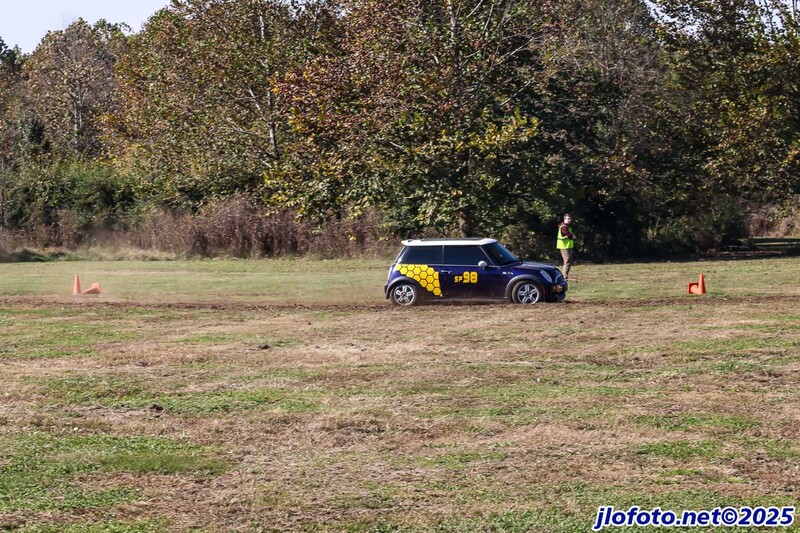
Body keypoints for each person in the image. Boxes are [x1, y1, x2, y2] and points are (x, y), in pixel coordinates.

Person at [556, 213, 575, 281]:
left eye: (570, 219)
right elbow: (565, 233)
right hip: (564, 246)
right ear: (564, 219)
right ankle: (564, 277)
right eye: (568, 219)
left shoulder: (567, 226)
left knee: (568, 262)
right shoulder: (564, 227)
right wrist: (572, 236)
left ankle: (564, 276)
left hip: (567, 246)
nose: (569, 220)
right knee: (567, 262)